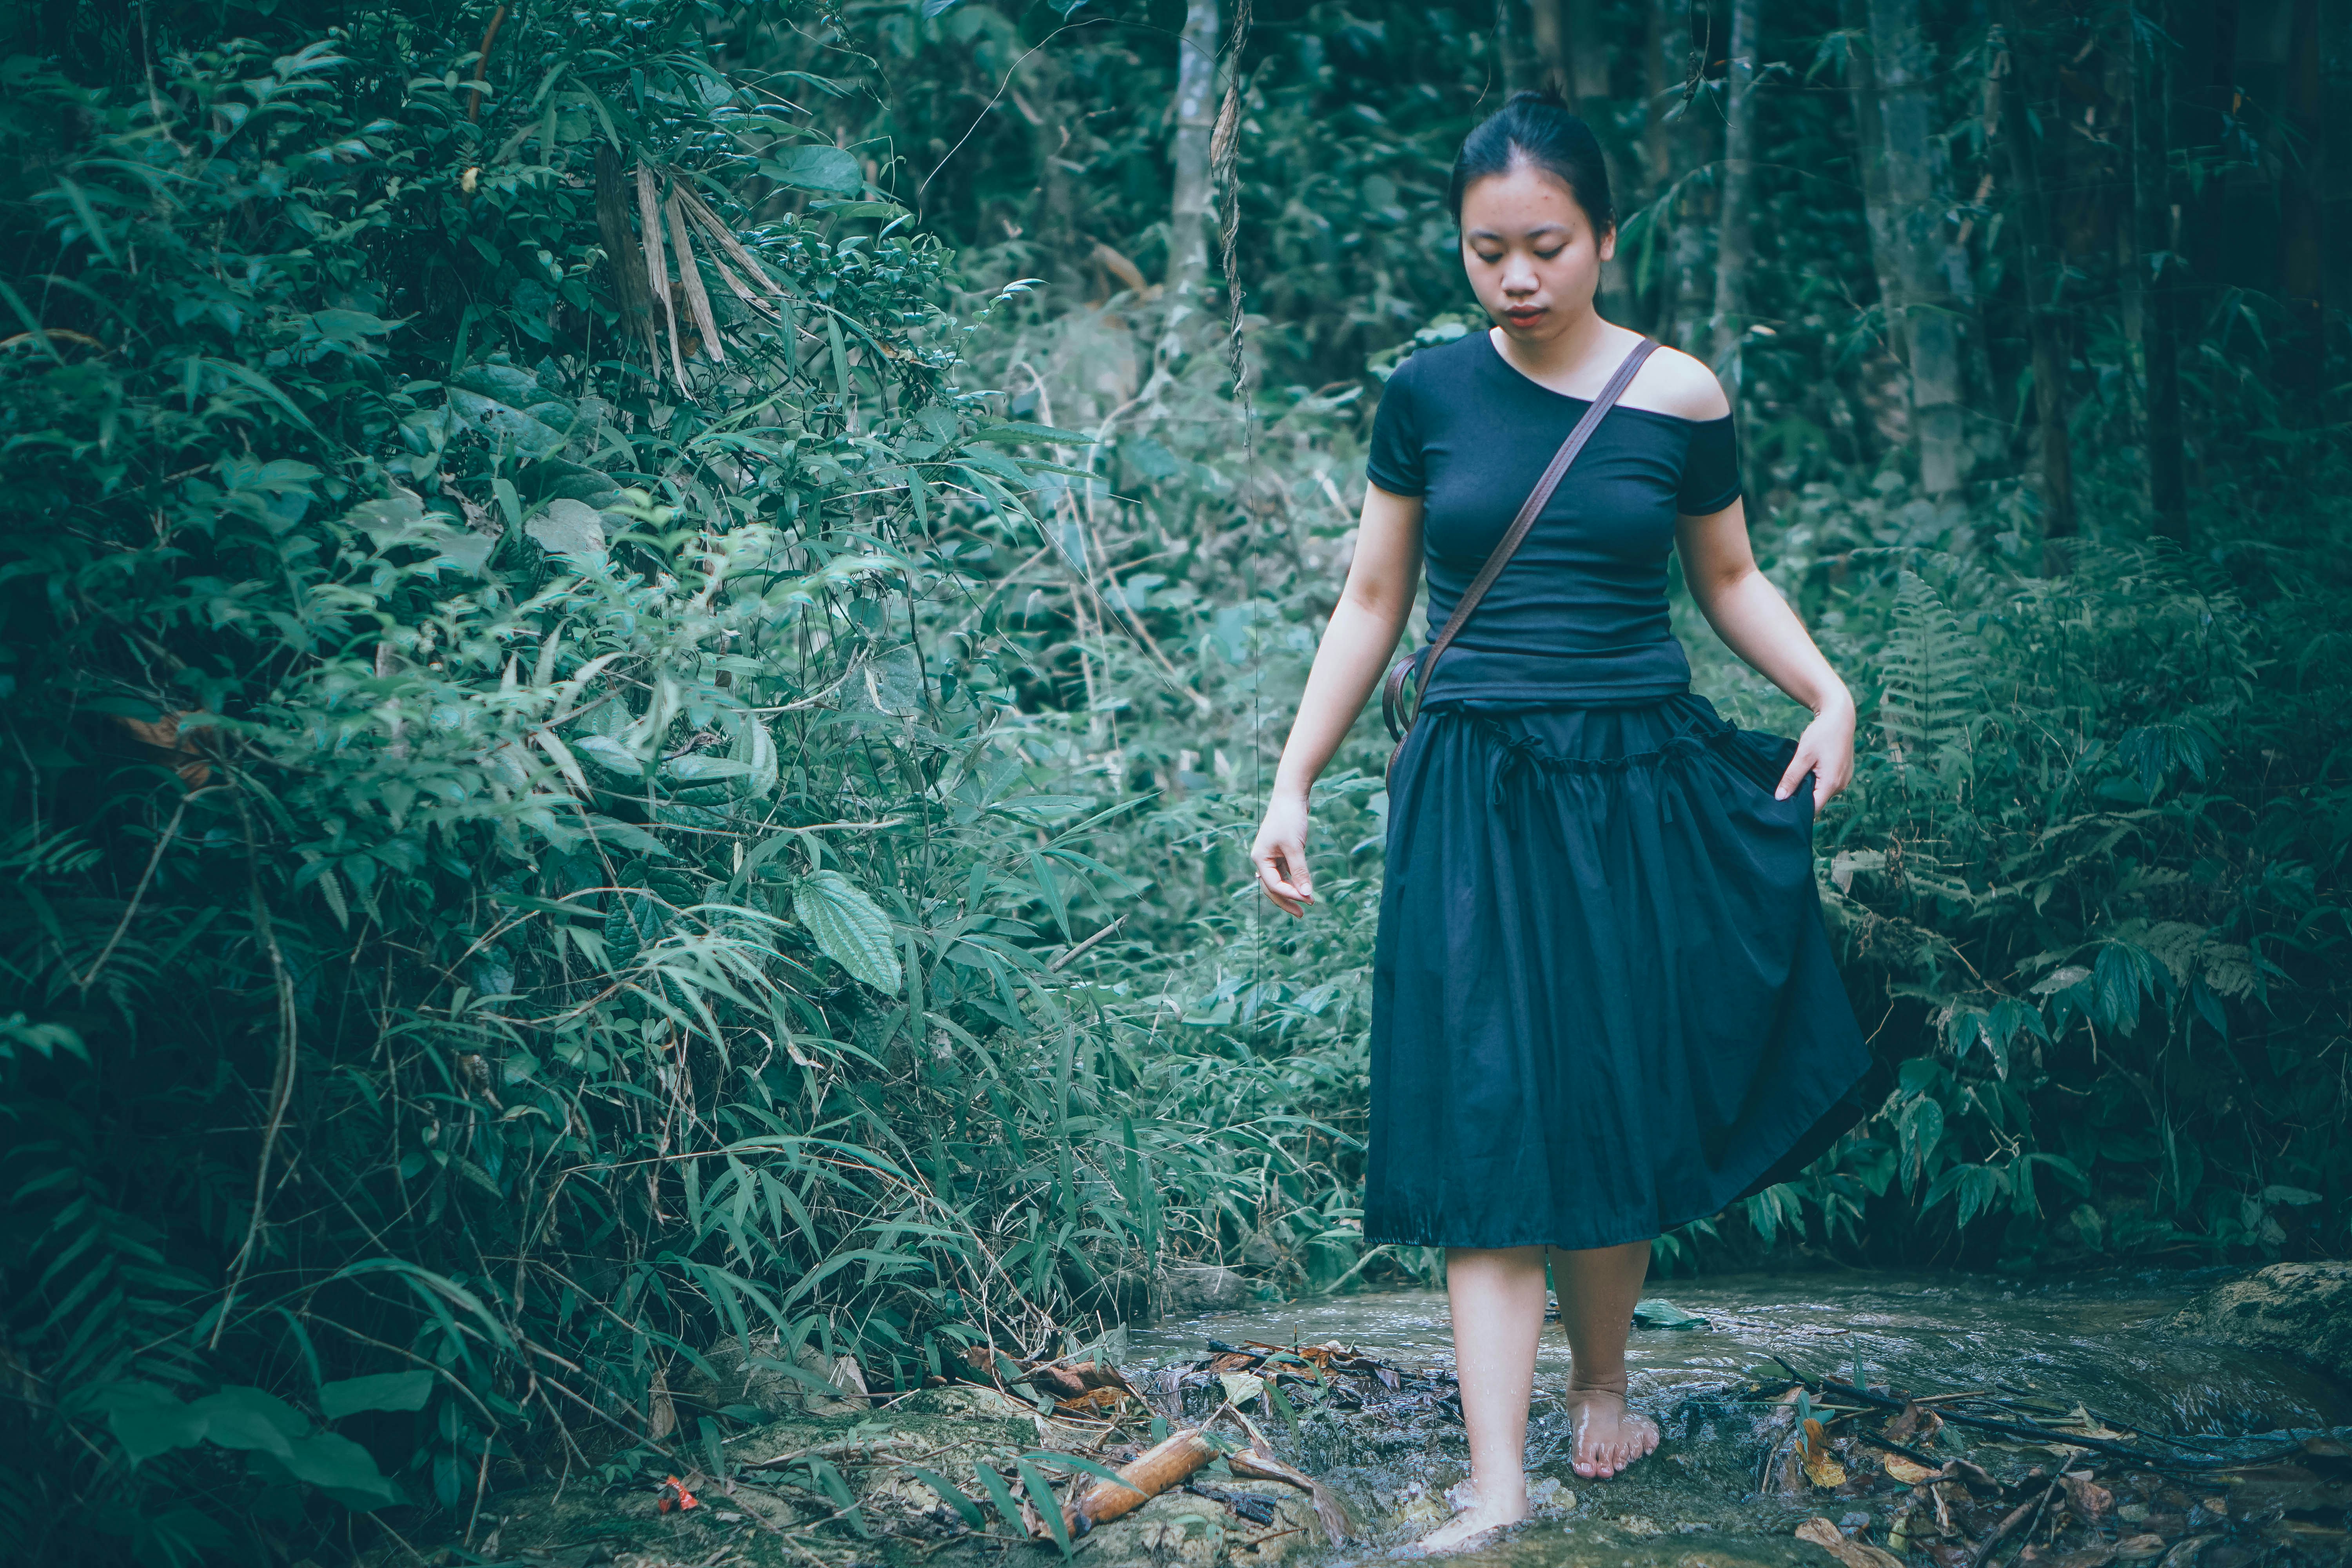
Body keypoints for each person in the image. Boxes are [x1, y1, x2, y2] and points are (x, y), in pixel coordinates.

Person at [1247, 91, 1874, 1552]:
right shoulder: (1427, 396)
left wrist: (1827, 691)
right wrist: (1291, 781)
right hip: (1475, 784)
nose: (1516, 279)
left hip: (1637, 777)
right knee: (1489, 1110)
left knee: (1613, 1079)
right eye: (1487, 253)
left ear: (1602, 237)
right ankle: (1497, 1490)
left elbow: (1727, 578)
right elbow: (1372, 599)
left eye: (1544, 246)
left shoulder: (1682, 398)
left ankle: (1604, 1382)